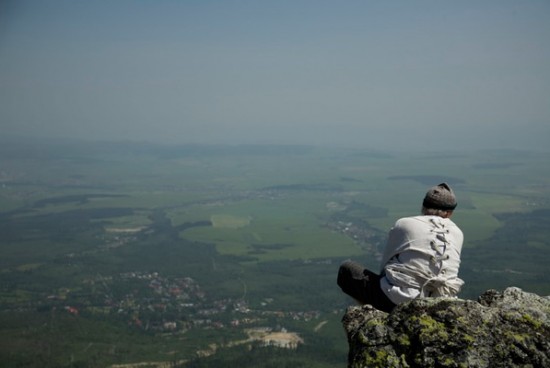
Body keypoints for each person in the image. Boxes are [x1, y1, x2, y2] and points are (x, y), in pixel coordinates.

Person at [337, 182, 464, 313]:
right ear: (449, 213)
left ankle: (376, 314)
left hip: (400, 301)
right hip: (443, 304)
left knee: (347, 270)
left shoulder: (405, 224)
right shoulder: (458, 233)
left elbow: (385, 266)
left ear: (424, 206)